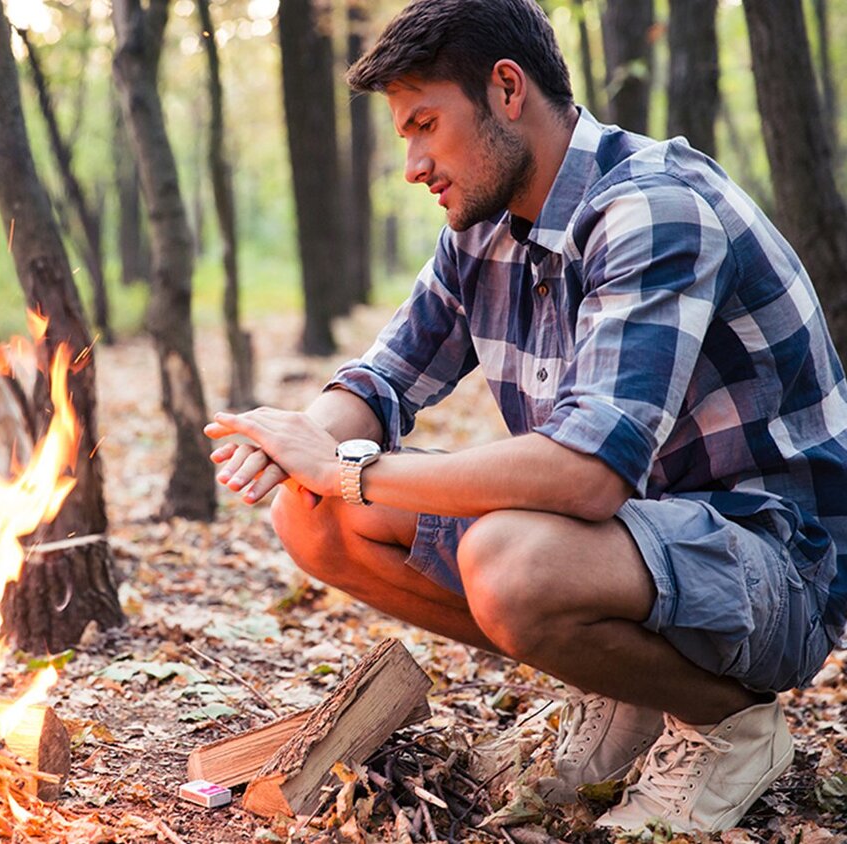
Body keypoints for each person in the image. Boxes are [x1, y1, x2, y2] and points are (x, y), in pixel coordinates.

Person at [204, 0, 847, 834]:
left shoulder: (653, 208)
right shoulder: (482, 229)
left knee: (508, 560)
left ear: (507, 89)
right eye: (405, 134)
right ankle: (631, 695)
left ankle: (729, 725)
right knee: (313, 515)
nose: (413, 163)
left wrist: (349, 468)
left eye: (426, 125)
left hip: (775, 566)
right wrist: (296, 444)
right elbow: (384, 379)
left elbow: (586, 474)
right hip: (640, 546)